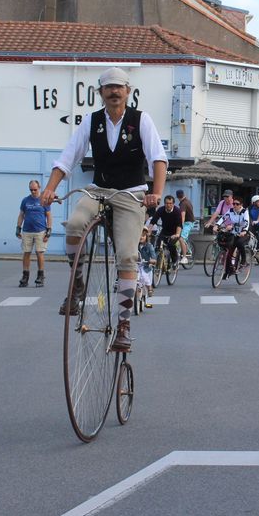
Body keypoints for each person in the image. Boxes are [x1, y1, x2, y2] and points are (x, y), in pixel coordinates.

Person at [41, 67, 167, 352]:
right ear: (100, 93)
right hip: (98, 190)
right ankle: (78, 285)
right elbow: (67, 158)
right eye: (108, 88)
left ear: (127, 91)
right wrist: (51, 188)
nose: (113, 92)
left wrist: (156, 192)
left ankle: (123, 324)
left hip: (131, 194)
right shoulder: (92, 121)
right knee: (74, 225)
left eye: (118, 87)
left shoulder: (141, 120)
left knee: (127, 255)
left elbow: (158, 159)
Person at [15, 180, 52, 288]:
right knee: (26, 253)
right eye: (31, 190)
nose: (33, 191)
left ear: (39, 188)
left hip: (40, 231)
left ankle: (40, 276)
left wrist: (49, 230)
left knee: (39, 253)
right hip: (27, 231)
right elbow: (21, 214)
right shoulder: (25, 200)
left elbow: (49, 215)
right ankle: (25, 276)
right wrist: (18, 228)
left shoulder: (43, 200)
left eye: (35, 189)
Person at [218, 196, 251, 277]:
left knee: (239, 243)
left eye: (237, 204)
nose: (235, 205)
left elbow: (246, 222)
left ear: (241, 205)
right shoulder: (231, 211)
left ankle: (243, 261)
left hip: (244, 233)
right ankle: (228, 271)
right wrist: (217, 225)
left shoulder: (244, 212)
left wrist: (244, 231)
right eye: (234, 204)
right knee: (229, 252)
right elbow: (223, 218)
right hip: (234, 233)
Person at [149, 195, 182, 268]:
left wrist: (177, 234)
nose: (168, 205)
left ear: (173, 204)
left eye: (170, 203)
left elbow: (179, 224)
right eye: (167, 203)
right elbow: (153, 221)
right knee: (158, 245)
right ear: (164, 203)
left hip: (175, 232)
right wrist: (149, 231)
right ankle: (159, 262)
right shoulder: (161, 210)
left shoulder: (177, 211)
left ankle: (174, 261)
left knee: (171, 245)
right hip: (165, 230)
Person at [176, 189, 195, 264]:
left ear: (177, 197)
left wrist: (180, 226)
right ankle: (183, 249)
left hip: (188, 223)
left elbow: (182, 217)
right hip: (188, 222)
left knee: (181, 238)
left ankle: (184, 257)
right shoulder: (187, 201)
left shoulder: (183, 203)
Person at [137, 228, 157, 302]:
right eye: (139, 235)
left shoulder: (149, 246)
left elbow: (154, 257)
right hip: (136, 265)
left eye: (143, 235)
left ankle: (149, 287)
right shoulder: (135, 246)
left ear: (146, 237)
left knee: (144, 275)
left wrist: (151, 261)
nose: (141, 237)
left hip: (146, 266)